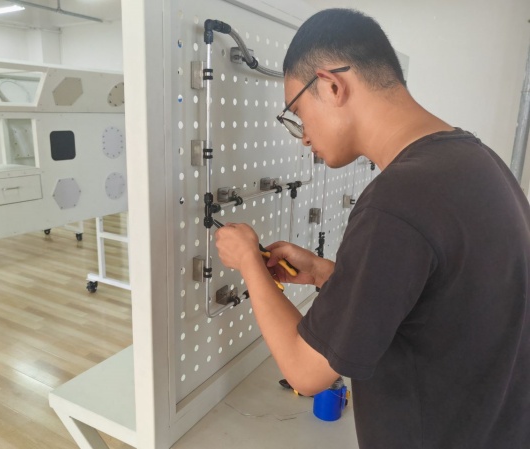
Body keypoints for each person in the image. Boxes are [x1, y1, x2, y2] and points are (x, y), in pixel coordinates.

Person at [214, 8, 530, 449]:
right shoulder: (478, 161)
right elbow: (441, 302)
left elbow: (306, 372)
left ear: (331, 86)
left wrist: (249, 261)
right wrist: (327, 274)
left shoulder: (396, 201)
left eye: (298, 111)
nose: (303, 136)